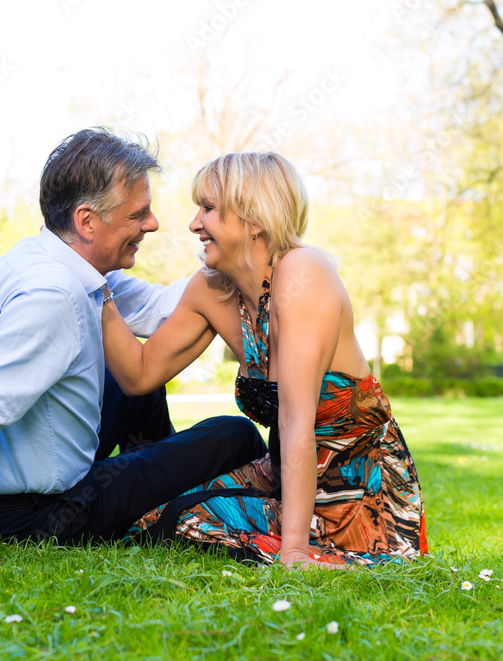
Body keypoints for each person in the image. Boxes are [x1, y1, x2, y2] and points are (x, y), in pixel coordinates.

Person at [0, 129, 265, 571]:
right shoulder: (52, 295)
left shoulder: (54, 261)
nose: (152, 224)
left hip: (11, 496)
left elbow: (161, 309)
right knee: (236, 434)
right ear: (87, 221)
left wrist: (238, 257)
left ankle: (158, 491)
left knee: (130, 381)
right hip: (32, 517)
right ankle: (157, 494)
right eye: (139, 213)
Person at [101, 150, 428, 567]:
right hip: (283, 476)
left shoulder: (304, 273)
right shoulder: (212, 290)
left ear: (254, 219)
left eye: (208, 208)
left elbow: (295, 421)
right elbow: (139, 375)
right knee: (154, 519)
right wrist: (96, 280)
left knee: (181, 524)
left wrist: (294, 550)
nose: (194, 223)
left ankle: (305, 541)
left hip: (358, 494)